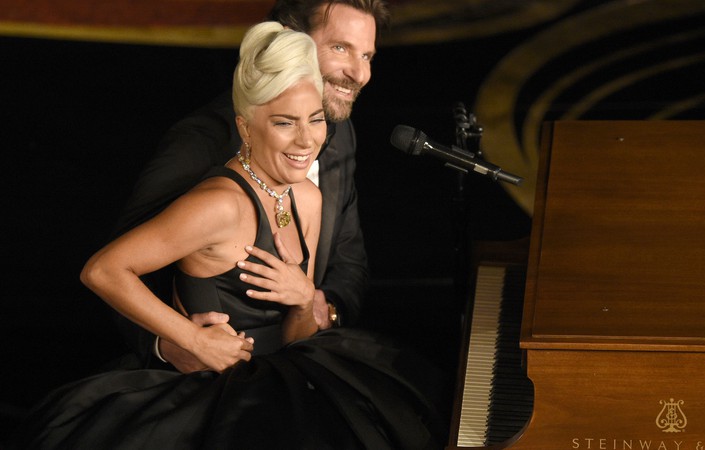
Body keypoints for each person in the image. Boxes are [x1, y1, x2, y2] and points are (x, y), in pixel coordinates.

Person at [11, 22, 446, 450]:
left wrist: (302, 297)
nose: (306, 139)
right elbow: (103, 270)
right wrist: (192, 338)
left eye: (314, 120)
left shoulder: (309, 198)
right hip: (211, 394)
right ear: (245, 128)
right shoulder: (218, 204)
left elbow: (298, 339)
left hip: (287, 380)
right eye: (283, 123)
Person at [111, 0, 389, 373]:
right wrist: (171, 343)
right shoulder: (201, 143)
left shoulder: (337, 133)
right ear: (290, 41)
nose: (359, 73)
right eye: (340, 47)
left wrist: (319, 307)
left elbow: (349, 264)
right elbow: (121, 262)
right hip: (202, 374)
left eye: (368, 55)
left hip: (292, 361)